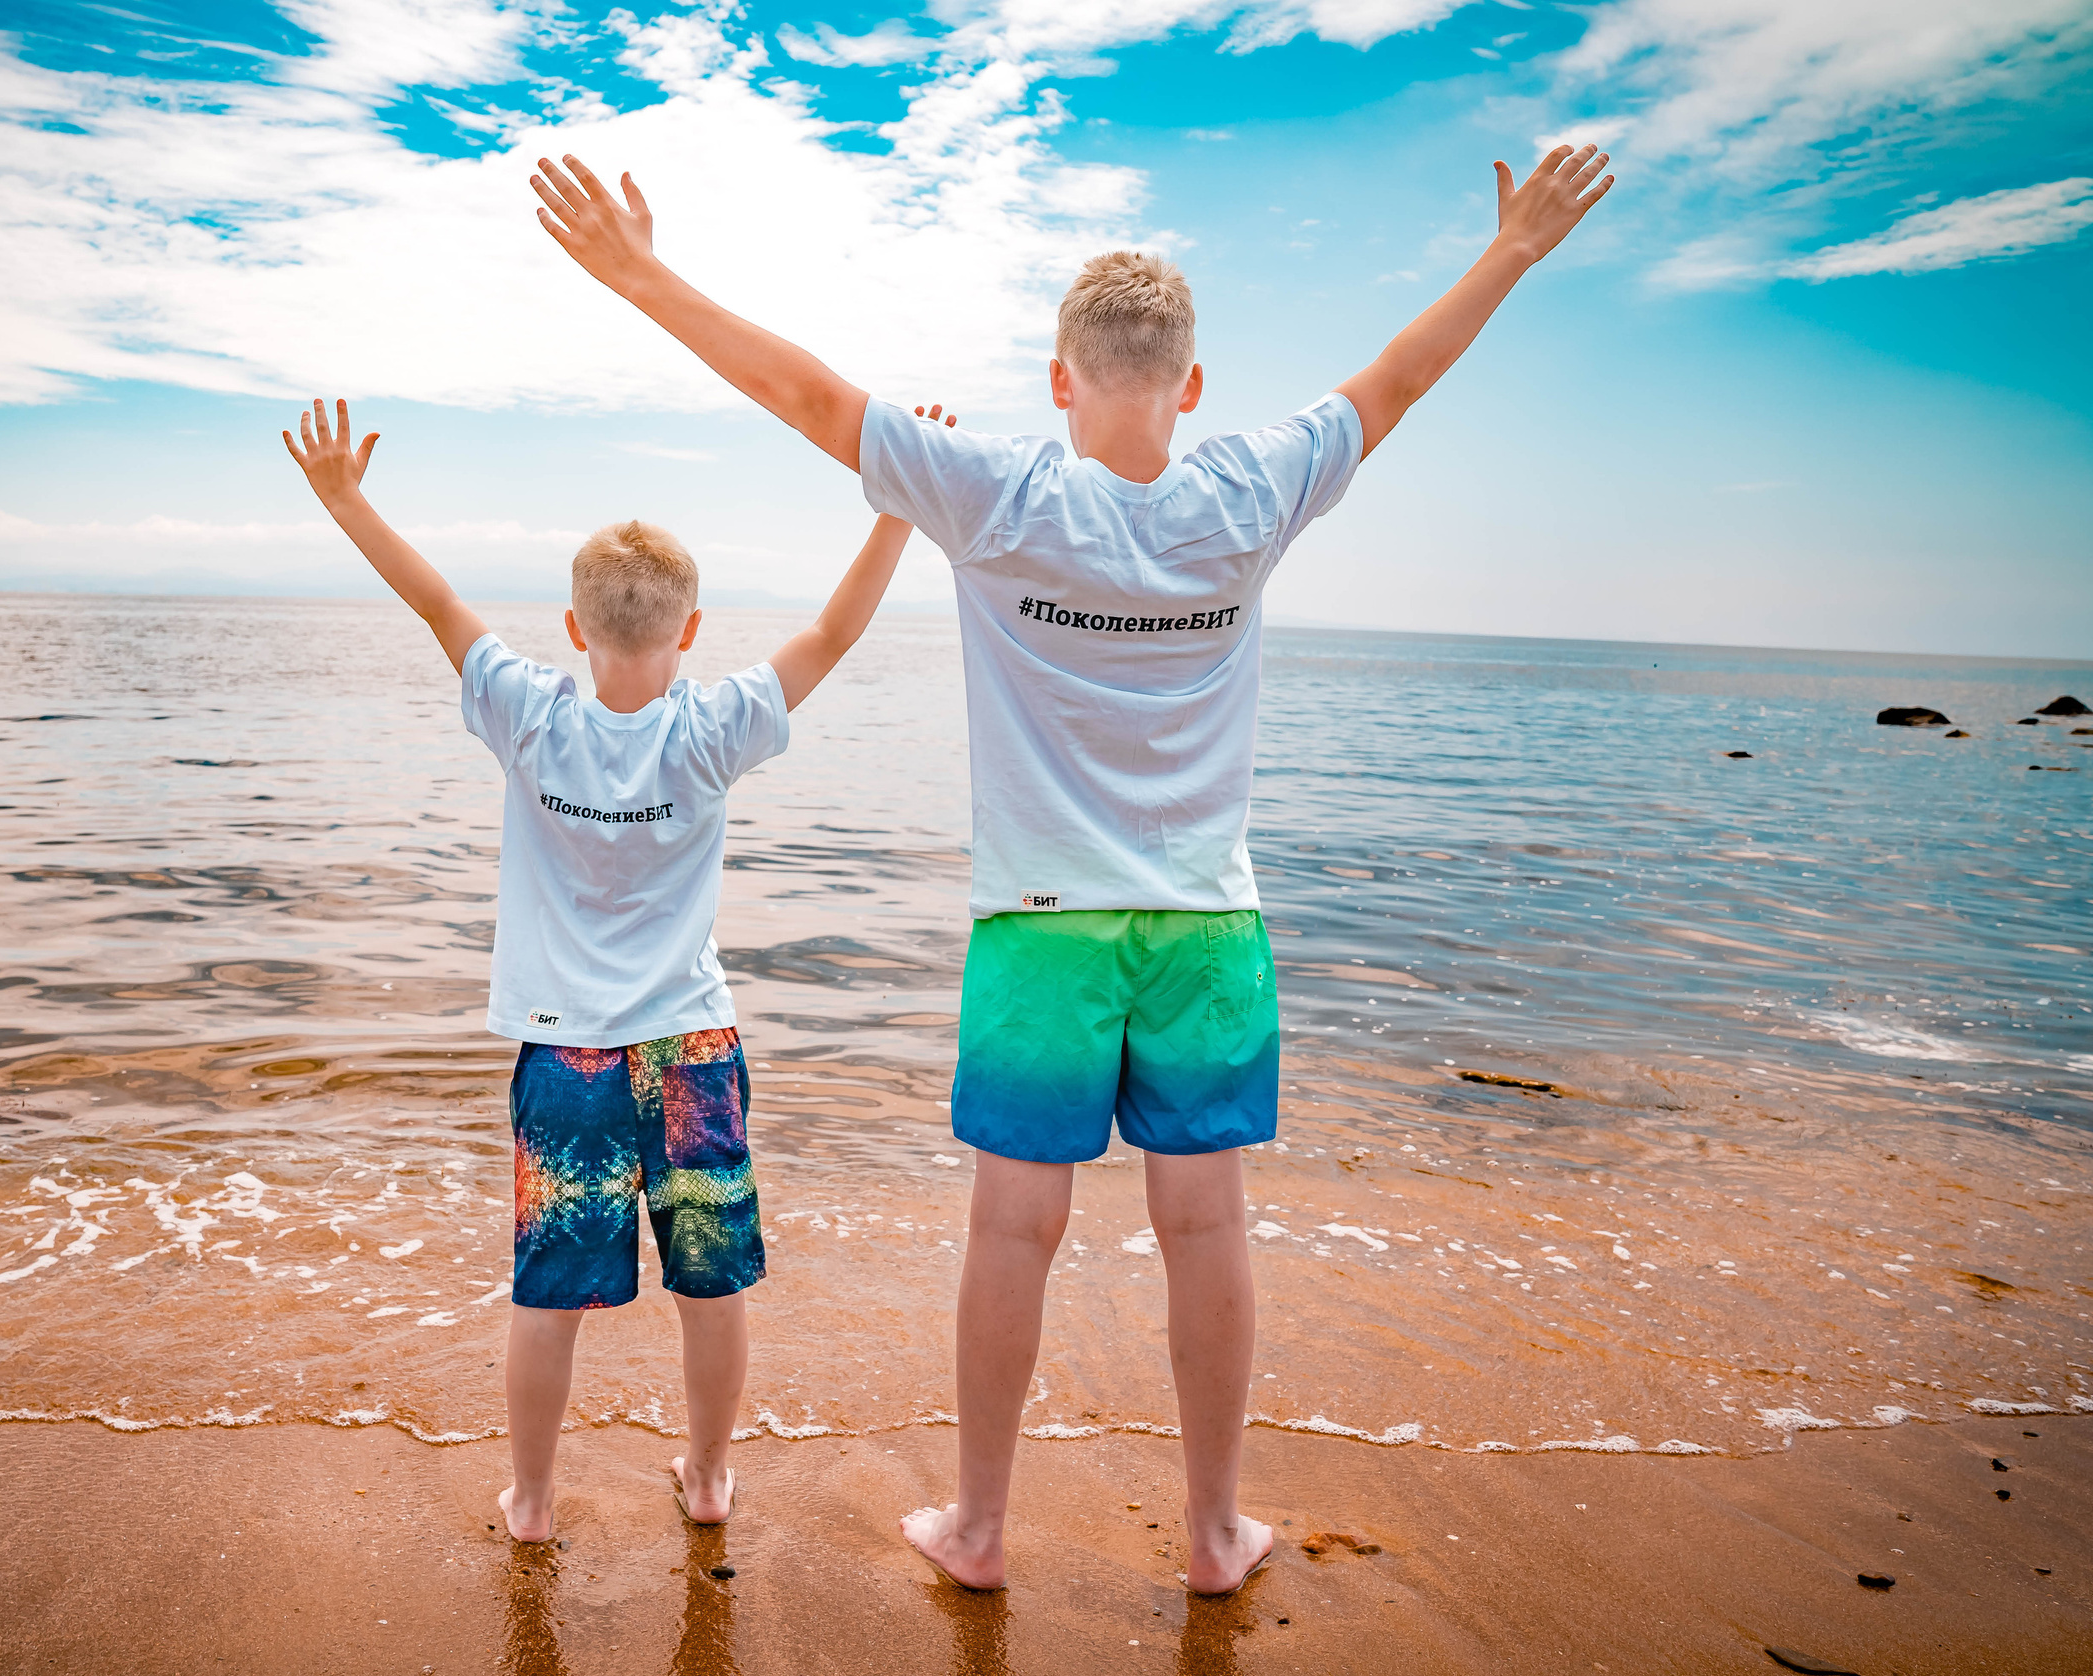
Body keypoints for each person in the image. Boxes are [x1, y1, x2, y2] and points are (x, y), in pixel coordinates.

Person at [528, 143, 1615, 1589]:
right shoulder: (1251, 489)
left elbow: (801, 394)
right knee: (1207, 1220)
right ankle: (1217, 1529)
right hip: (1206, 924)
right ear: (1190, 381)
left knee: (1014, 1221)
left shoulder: (995, 495)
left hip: (1039, 927)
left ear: (1059, 378)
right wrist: (1516, 247)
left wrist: (638, 275)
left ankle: (979, 1527)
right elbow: (1398, 378)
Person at [282, 396, 935, 1541]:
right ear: (690, 629)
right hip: (692, 1047)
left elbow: (435, 601)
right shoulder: (712, 726)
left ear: (574, 628)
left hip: (568, 1052)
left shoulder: (528, 713)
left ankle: (531, 1503)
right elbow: (831, 635)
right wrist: (895, 509)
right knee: (711, 1285)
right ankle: (711, 1481)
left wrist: (344, 499)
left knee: (550, 1297)